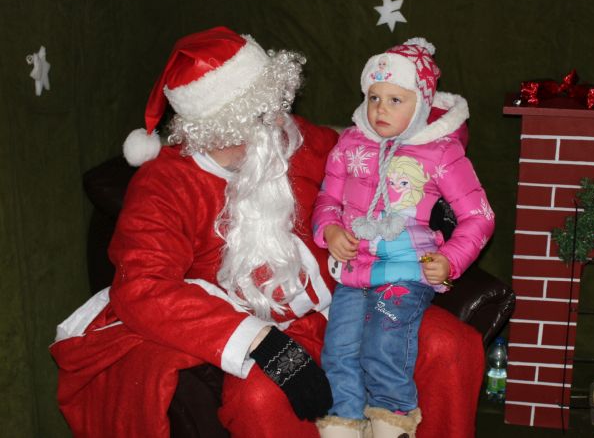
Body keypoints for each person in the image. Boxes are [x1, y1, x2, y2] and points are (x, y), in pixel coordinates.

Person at [50, 27, 485, 438]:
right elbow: (143, 286)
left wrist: (430, 185)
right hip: (261, 327)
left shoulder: (287, 137)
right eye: (263, 113)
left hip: (348, 300)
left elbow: (368, 147)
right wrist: (262, 343)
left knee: (451, 346)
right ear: (221, 125)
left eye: (277, 103)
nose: (281, 120)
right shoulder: (165, 185)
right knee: (262, 399)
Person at [312, 38, 495, 438]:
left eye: (395, 100)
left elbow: (479, 217)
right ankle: (344, 425)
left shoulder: (441, 152)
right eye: (374, 97)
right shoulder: (350, 144)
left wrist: (450, 259)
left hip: (407, 272)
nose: (380, 109)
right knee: (339, 352)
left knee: (383, 347)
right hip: (354, 271)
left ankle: (392, 424)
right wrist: (330, 229)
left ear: (422, 103)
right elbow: (327, 198)